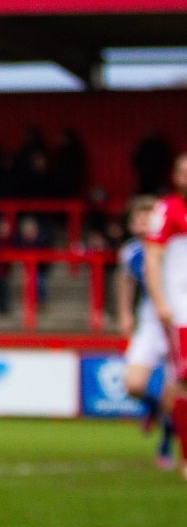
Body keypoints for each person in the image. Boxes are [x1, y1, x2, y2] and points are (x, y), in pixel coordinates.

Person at [115, 195, 177, 469]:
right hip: (150, 323)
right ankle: (153, 411)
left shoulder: (176, 246)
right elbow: (126, 282)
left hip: (177, 320)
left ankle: (165, 445)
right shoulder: (130, 252)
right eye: (136, 219)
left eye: (147, 217)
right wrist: (125, 313)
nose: (142, 224)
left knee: (173, 394)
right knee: (133, 384)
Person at [144, 152, 187, 480]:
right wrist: (161, 302)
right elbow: (152, 258)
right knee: (184, 381)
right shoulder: (167, 210)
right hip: (181, 309)